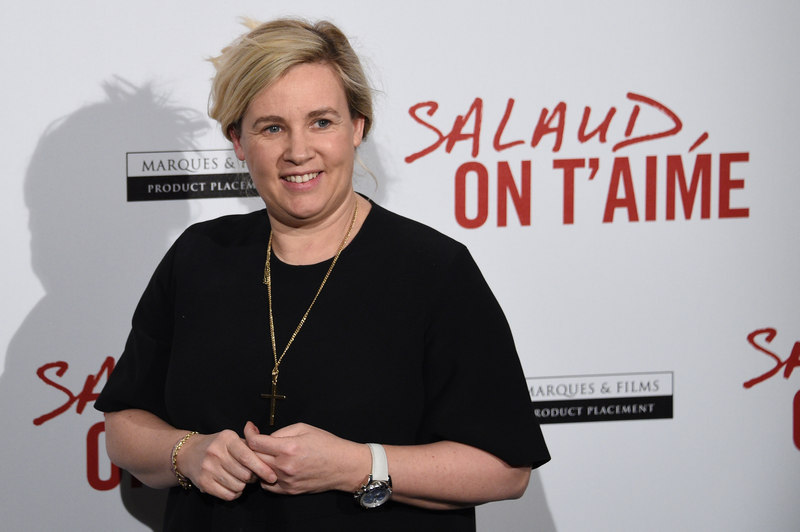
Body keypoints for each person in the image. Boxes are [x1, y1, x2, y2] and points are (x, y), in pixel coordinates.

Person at [96, 18, 549, 531]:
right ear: (238, 140)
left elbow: (506, 468)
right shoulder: (198, 257)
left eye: (321, 122)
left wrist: (356, 466)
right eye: (271, 127)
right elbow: (124, 426)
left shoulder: (434, 270)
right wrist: (186, 452)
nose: (298, 151)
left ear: (357, 127)